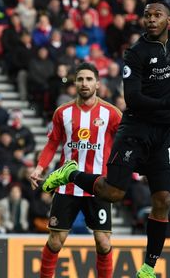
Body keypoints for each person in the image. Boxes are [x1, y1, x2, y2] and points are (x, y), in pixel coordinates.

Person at [42, 0, 170, 278]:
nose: (151, 19)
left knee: (163, 199)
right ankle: (70, 173)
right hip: (136, 130)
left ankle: (148, 268)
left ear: (168, 20)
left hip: (164, 135)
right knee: (113, 193)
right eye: (147, 15)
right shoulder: (136, 53)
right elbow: (134, 99)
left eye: (156, 15)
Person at [28, 62, 121, 278]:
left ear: (97, 83)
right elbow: (52, 143)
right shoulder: (63, 112)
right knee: (55, 240)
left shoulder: (111, 113)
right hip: (67, 185)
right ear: (75, 83)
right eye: (80, 79)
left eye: (89, 79)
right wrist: (39, 167)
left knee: (103, 241)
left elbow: (126, 140)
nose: (84, 83)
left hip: (99, 185)